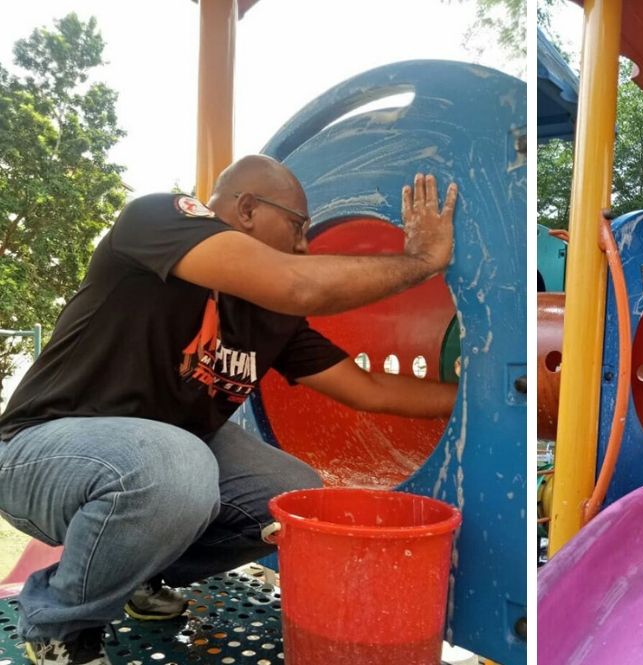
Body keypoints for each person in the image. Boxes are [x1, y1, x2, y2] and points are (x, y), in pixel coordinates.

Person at [0, 155, 459, 665]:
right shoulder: (158, 220)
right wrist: (421, 261)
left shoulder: (272, 316)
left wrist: (476, 398)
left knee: (292, 500)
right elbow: (296, 281)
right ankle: (61, 626)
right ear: (245, 208)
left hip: (155, 461)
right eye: (297, 227)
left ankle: (135, 575)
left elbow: (369, 389)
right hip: (39, 451)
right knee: (176, 465)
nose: (305, 243)